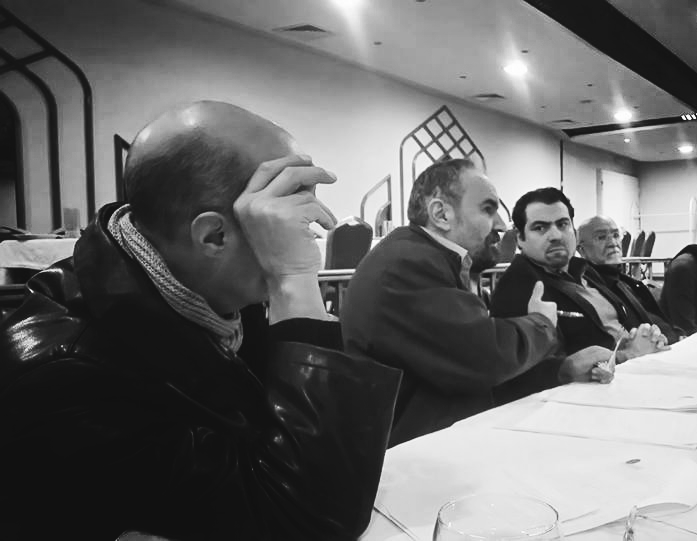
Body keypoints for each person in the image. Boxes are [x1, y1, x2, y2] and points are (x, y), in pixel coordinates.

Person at [0, 101, 401, 541]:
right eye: (279, 207)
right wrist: (293, 278)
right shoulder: (68, 374)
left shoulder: (212, 290)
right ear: (214, 235)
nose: (305, 227)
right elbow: (306, 523)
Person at [341, 159, 611, 446]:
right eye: (488, 209)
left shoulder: (430, 258)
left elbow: (471, 365)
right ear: (441, 214)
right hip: (414, 455)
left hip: (437, 436)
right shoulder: (407, 265)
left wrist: (562, 369)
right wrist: (541, 324)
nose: (501, 224)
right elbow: (484, 357)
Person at [490, 188, 666, 396]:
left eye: (562, 224)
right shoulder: (519, 288)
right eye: (540, 228)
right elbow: (525, 375)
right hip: (587, 401)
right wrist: (627, 355)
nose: (555, 235)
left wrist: (645, 336)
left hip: (637, 378)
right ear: (520, 239)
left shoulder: (585, 271)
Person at [577, 215, 684, 344]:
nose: (613, 243)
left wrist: (678, 335)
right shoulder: (588, 289)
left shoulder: (627, 283)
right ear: (582, 250)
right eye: (601, 237)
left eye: (616, 235)